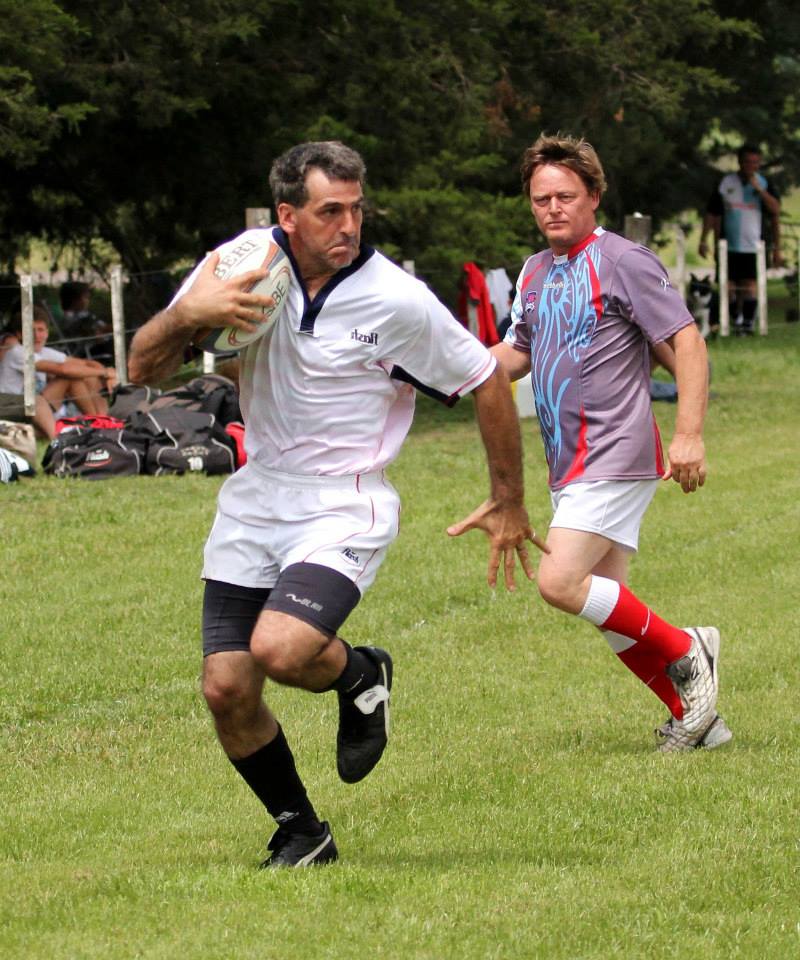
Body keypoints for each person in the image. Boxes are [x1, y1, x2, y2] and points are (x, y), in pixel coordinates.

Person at [128, 140, 542, 868]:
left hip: (345, 502)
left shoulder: (397, 299)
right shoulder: (240, 266)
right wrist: (187, 313)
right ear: (287, 215)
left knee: (281, 649)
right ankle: (302, 833)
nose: (347, 225)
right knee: (226, 689)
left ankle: (358, 674)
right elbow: (143, 365)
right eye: (329, 212)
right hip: (256, 497)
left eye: (355, 209)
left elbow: (484, 378)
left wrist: (508, 498)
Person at [450, 133, 730, 753]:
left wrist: (688, 435)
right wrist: (446, 370)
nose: (552, 208)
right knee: (609, 607)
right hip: (568, 460)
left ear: (594, 195)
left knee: (559, 582)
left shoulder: (624, 260)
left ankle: (688, 648)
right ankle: (697, 719)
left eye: (566, 196)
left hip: (616, 450)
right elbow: (515, 354)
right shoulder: (534, 270)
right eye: (541, 198)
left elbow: (687, 342)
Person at [699, 144, 781, 335]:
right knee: (729, 286)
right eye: (747, 162)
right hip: (728, 244)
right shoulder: (726, 183)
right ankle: (735, 319)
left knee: (750, 285)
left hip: (754, 245)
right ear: (740, 162)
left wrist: (760, 190)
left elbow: (775, 210)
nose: (751, 166)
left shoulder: (764, 183)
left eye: (755, 162)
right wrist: (704, 239)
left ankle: (748, 324)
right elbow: (712, 212)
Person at [0, 307, 117, 432]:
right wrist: (105, 372)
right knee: (70, 377)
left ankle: (103, 422)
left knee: (86, 374)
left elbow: (88, 363)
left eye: (40, 330)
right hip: (15, 409)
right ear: (19, 334)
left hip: (39, 407)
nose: (36, 335)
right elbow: (63, 369)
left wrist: (109, 374)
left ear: (47, 333)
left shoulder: (45, 352)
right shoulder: (17, 352)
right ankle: (100, 424)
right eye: (30, 330)